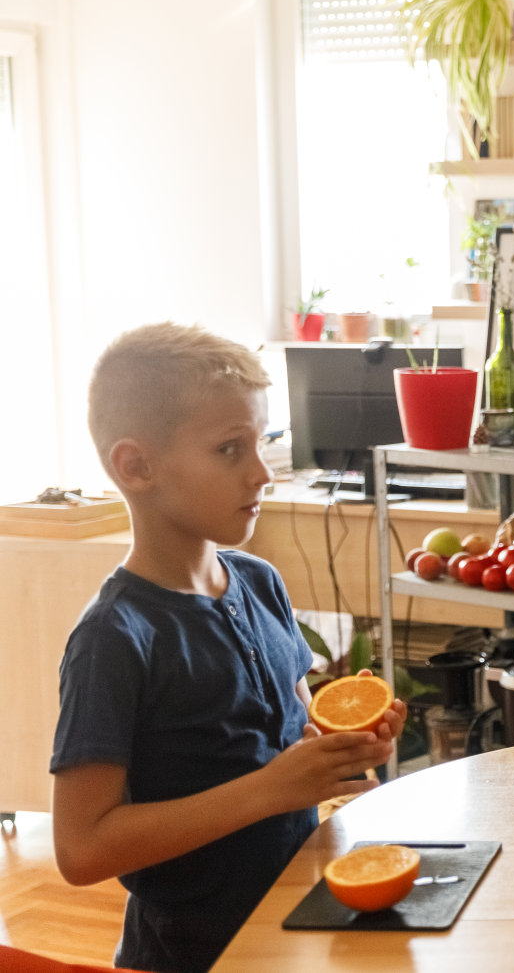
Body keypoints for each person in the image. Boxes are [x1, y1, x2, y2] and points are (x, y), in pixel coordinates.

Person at [51, 323, 405, 973]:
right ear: (135, 466)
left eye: (262, 442)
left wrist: (347, 747)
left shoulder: (260, 582)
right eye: (228, 448)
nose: (262, 472)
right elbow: (81, 847)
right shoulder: (113, 638)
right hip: (191, 954)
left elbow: (297, 741)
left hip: (293, 920)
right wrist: (269, 790)